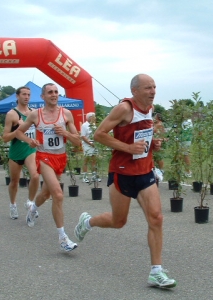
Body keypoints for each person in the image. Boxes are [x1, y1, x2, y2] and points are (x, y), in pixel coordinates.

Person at [74, 74, 176, 288]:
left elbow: (141, 135)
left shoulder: (150, 108)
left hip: (145, 171)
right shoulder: (124, 109)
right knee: (118, 221)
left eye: (155, 87)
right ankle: (88, 222)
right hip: (122, 172)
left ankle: (156, 272)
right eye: (148, 88)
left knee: (156, 218)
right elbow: (100, 135)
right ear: (135, 91)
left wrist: (152, 144)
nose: (153, 91)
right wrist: (128, 148)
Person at [15, 83, 81, 252]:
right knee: (58, 195)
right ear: (43, 96)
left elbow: (77, 141)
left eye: (56, 92)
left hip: (61, 157)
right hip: (44, 157)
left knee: (45, 194)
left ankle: (32, 209)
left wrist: (65, 133)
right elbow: (19, 133)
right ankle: (62, 238)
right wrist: (30, 141)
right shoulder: (35, 115)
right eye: (50, 92)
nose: (54, 95)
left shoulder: (66, 114)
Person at [2, 86, 40, 220]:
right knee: (14, 182)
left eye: (29, 95)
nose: (26, 97)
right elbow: (5, 137)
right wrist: (18, 129)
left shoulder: (34, 113)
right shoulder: (12, 114)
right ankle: (12, 205)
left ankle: (30, 202)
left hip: (30, 149)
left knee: (35, 176)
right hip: (16, 151)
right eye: (24, 94)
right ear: (17, 96)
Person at [80, 112, 101, 183]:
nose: (95, 118)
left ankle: (94, 176)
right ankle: (85, 176)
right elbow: (83, 136)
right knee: (86, 160)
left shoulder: (94, 125)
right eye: (93, 117)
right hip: (87, 145)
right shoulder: (84, 125)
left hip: (94, 145)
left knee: (94, 160)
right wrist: (90, 143)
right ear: (89, 118)